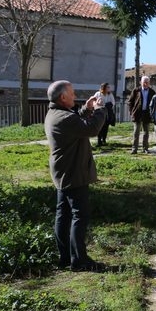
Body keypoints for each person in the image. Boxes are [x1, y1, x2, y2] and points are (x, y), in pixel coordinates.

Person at [44, 80, 107, 272]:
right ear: (63, 97)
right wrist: (99, 109)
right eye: (72, 93)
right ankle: (79, 261)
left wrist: (85, 109)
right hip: (73, 172)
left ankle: (65, 257)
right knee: (80, 215)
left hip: (63, 171)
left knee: (63, 215)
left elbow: (75, 124)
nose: (75, 95)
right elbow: (91, 129)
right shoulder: (64, 117)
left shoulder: (55, 113)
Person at [127, 76, 156, 154]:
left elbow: (154, 104)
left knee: (146, 132)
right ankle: (134, 149)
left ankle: (145, 148)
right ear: (141, 82)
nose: (145, 84)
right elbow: (130, 102)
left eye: (147, 82)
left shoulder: (152, 92)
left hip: (147, 114)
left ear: (149, 83)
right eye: (144, 82)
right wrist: (131, 111)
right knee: (136, 132)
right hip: (137, 113)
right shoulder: (136, 90)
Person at [93, 82, 116, 147]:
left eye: (109, 87)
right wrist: (98, 104)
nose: (109, 88)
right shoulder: (98, 94)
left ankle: (104, 139)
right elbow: (94, 102)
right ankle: (99, 140)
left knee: (106, 127)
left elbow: (113, 102)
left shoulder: (110, 94)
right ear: (104, 88)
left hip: (107, 113)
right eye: (108, 87)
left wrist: (108, 105)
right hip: (99, 112)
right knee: (100, 127)